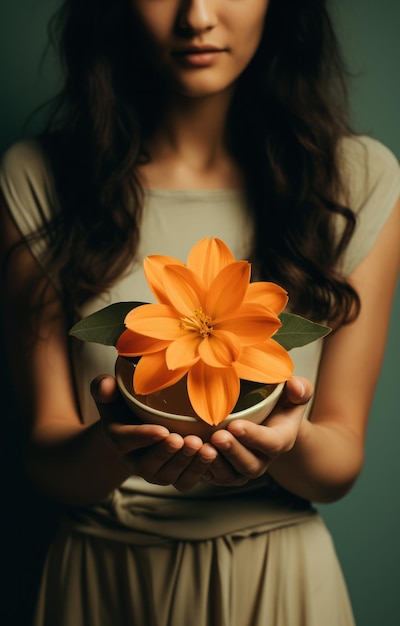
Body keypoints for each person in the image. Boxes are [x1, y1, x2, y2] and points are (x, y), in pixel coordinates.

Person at [0, 0, 399, 624]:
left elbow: (340, 461)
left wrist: (286, 443)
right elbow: (46, 460)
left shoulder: (357, 178)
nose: (197, 15)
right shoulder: (38, 175)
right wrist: (115, 444)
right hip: (103, 581)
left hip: (277, 580)